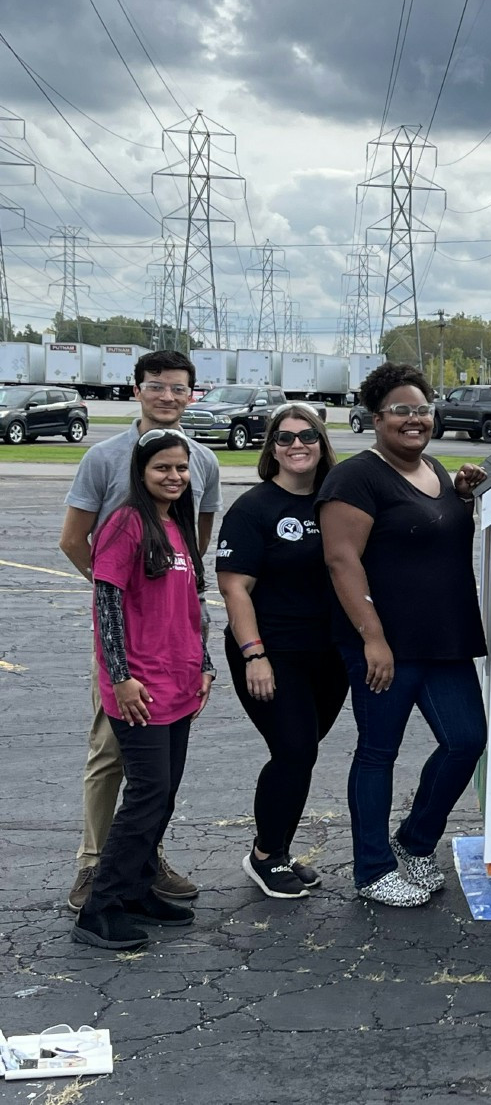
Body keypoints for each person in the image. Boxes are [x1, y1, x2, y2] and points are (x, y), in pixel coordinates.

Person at [318, 363, 489, 907]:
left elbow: (431, 535)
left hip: (445, 640)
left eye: (422, 409)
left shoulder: (435, 469)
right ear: (375, 418)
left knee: (466, 741)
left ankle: (415, 842)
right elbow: (342, 560)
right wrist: (372, 637)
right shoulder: (355, 478)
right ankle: (372, 869)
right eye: (401, 410)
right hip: (385, 646)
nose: (414, 419)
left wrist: (461, 497)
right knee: (378, 752)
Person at [58, 350, 221, 914]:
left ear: (191, 395)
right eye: (157, 386)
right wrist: (127, 595)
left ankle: (143, 862)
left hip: (176, 634)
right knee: (112, 749)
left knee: (163, 767)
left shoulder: (201, 462)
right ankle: (94, 863)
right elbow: (74, 539)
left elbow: (193, 548)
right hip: (125, 635)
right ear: (137, 390)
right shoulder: (105, 458)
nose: (168, 397)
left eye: (179, 388)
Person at [217, 404, 347, 900]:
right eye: (286, 437)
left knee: (302, 752)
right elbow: (235, 589)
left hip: (328, 654)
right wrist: (254, 654)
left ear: (322, 443)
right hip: (272, 654)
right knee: (294, 748)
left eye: (308, 436)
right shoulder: (254, 509)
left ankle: (279, 848)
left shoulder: (337, 502)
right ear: (271, 447)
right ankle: (266, 855)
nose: (298, 445)